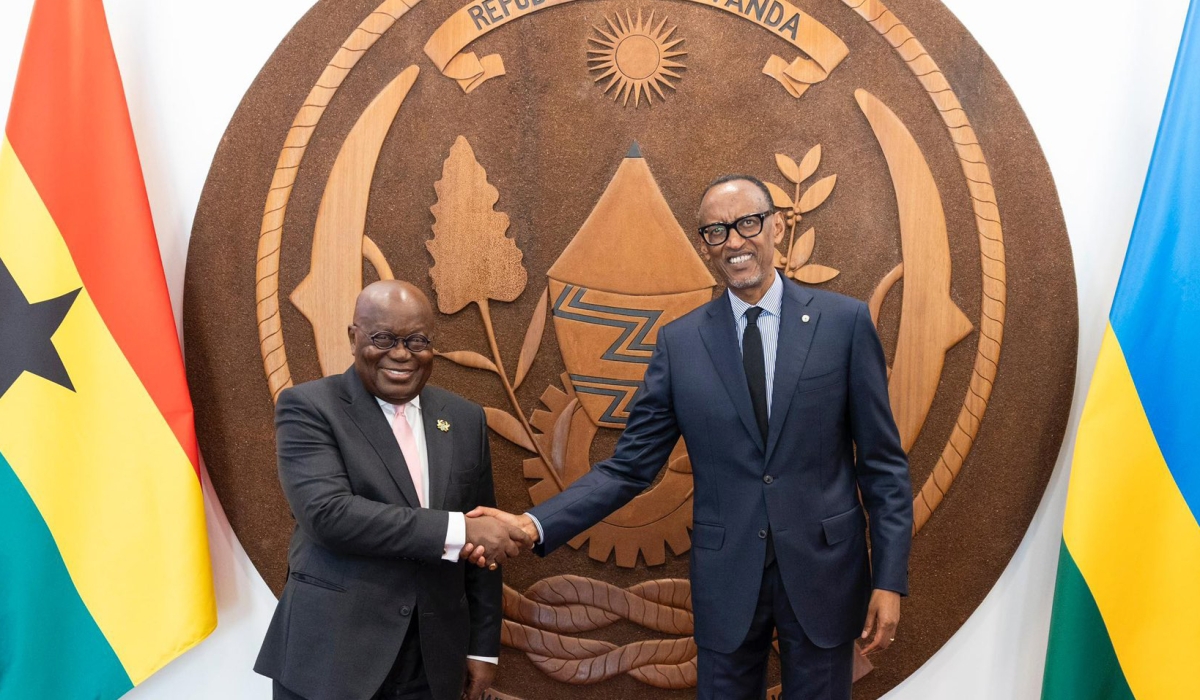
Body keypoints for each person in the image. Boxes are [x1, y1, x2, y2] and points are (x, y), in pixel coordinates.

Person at [469, 176, 912, 699]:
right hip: (727, 579)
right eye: (716, 231)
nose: (734, 242)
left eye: (747, 223)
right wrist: (531, 525)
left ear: (776, 226)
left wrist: (889, 579)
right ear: (705, 244)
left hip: (827, 574)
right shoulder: (680, 344)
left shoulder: (844, 323)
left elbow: (882, 467)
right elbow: (629, 467)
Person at [255, 280, 531, 700]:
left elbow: (483, 541)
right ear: (354, 338)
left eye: (416, 340)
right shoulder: (309, 408)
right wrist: (458, 531)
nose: (401, 353)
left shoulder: (463, 417)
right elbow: (329, 515)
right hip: (333, 657)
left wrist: (483, 648)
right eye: (382, 338)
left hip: (433, 660)